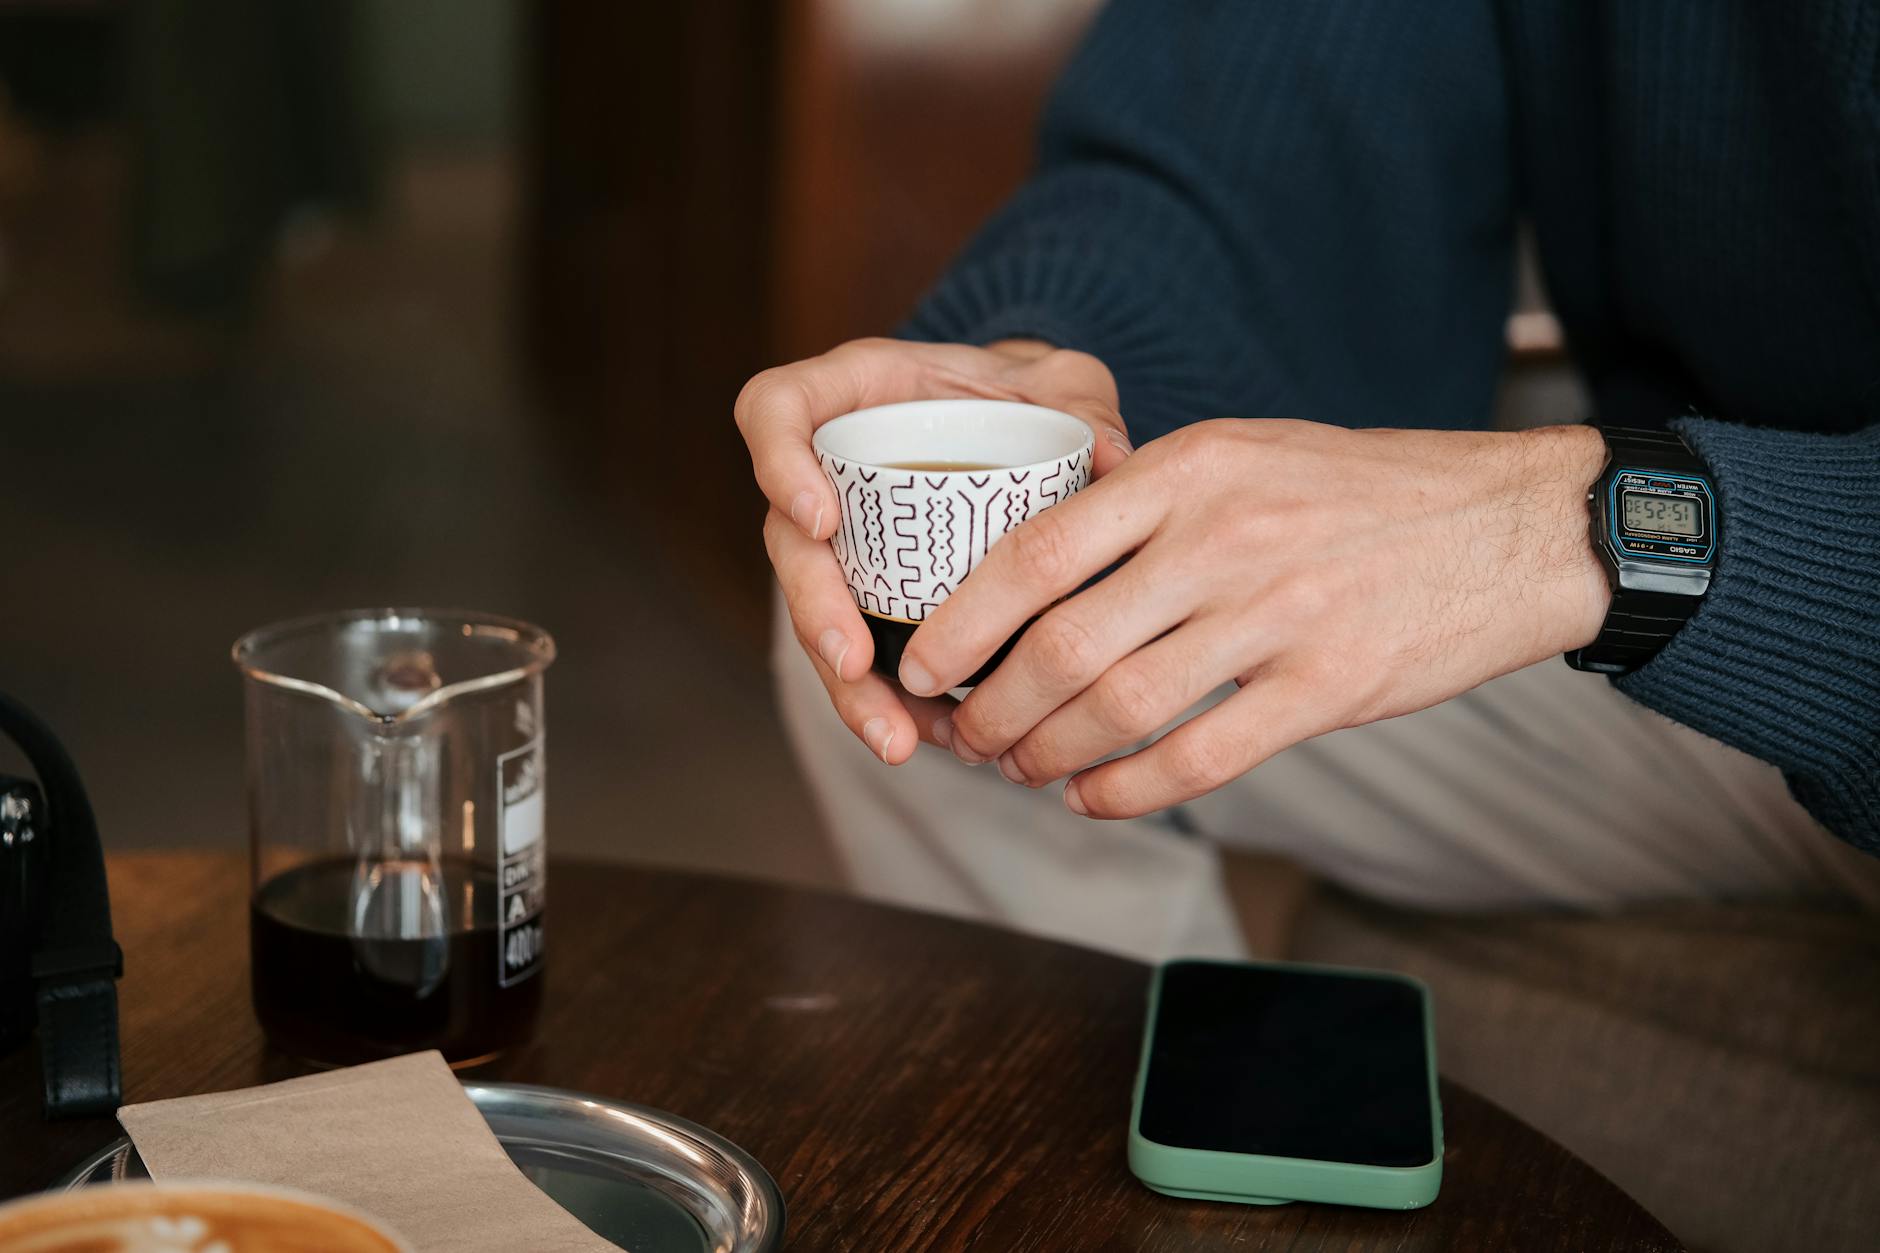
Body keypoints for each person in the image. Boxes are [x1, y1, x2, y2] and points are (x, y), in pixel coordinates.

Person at [740, 4, 1879, 1248]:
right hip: (1698, 637)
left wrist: (1574, 526)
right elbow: (1249, 130)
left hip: (1786, 588)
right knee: (948, 644)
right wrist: (1039, 373)